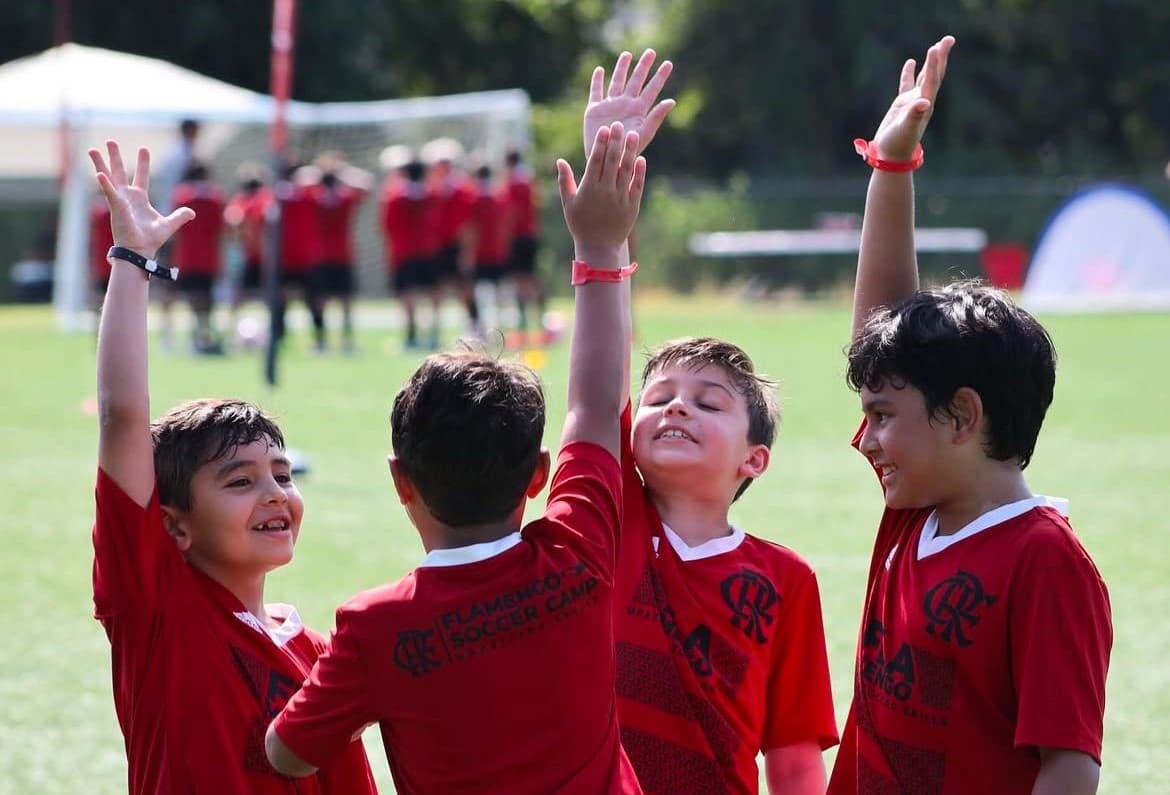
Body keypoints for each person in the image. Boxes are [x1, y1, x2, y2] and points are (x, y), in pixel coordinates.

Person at [264, 122, 648, 793]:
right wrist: (599, 245)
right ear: (539, 475)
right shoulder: (578, 549)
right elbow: (591, 405)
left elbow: (287, 752)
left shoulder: (375, 626)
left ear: (399, 480)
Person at [827, 36, 1112, 795]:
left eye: (883, 416)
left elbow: (1069, 764)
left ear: (962, 416)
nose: (870, 439)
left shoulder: (1045, 561)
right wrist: (891, 168)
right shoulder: (914, 514)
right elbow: (883, 338)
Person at [582, 50, 839, 794]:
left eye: (709, 401)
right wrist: (610, 191)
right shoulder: (608, 525)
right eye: (659, 396)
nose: (676, 407)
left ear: (754, 460)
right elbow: (599, 385)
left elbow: (793, 755)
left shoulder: (786, 580)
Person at [86, 140, 377, 794]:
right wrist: (132, 260)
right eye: (240, 481)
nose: (274, 492)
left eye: (281, 473)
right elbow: (123, 415)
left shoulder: (318, 649)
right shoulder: (156, 605)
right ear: (175, 526)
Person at [308, 151, 372, 353]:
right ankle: (344, 339)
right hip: (337, 254)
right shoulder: (343, 197)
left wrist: (320, 169)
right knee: (340, 300)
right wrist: (341, 170)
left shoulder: (313, 197)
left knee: (325, 300)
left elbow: (298, 182)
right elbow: (366, 184)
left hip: (324, 255)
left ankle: (322, 340)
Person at [381, 155, 441, 349]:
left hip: (405, 251)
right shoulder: (431, 194)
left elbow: (387, 224)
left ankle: (411, 334)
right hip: (428, 249)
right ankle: (433, 332)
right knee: (432, 291)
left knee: (408, 293)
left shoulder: (396, 196)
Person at [423, 137, 479, 336]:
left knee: (465, 287)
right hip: (437, 246)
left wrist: (467, 249)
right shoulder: (430, 189)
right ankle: (434, 329)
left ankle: (474, 325)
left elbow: (468, 222)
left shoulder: (462, 189)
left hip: (456, 245)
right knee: (437, 288)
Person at [171, 160, 226, 353]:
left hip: (187, 256)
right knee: (206, 299)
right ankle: (204, 335)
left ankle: (198, 337)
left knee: (193, 298)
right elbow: (221, 229)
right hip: (208, 257)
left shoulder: (182, 196)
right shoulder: (215, 198)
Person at [465, 163, 513, 336]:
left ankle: (481, 329)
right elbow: (508, 223)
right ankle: (500, 329)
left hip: (480, 253)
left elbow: (471, 229)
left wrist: (467, 253)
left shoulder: (473, 198)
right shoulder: (500, 196)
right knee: (498, 292)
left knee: (479, 293)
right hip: (498, 250)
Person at [503, 148, 545, 342]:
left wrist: (504, 234)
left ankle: (524, 325)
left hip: (519, 236)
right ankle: (540, 321)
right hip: (530, 234)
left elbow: (511, 212)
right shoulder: (528, 179)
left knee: (521, 280)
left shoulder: (513, 182)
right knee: (531, 278)